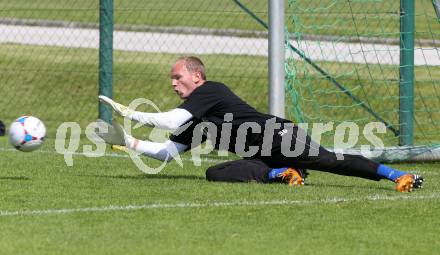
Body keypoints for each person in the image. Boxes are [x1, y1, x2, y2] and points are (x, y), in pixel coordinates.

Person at [98, 56, 423, 192]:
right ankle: (282, 173)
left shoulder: (209, 91)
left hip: (280, 136)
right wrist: (128, 141)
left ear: (196, 76)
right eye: (171, 78)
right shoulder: (195, 118)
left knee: (327, 161)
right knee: (215, 173)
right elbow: (168, 153)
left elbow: (170, 118)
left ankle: (397, 175)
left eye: (177, 77)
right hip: (267, 155)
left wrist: (132, 113)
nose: (173, 83)